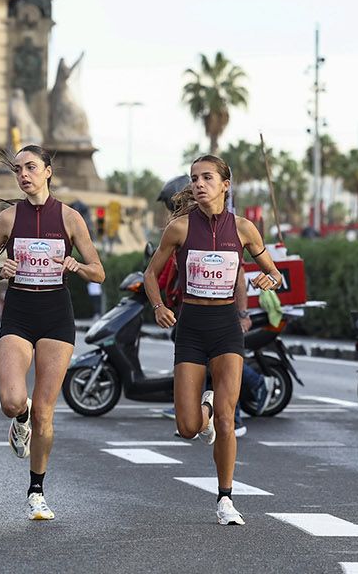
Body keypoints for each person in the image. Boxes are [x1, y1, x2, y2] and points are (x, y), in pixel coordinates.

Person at [143, 155, 282, 526]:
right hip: (191, 327)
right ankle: (204, 407)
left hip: (225, 328)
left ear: (225, 185)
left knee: (226, 418)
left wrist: (270, 279)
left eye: (207, 177)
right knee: (188, 427)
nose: (199, 184)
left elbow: (274, 272)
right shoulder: (179, 228)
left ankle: (225, 499)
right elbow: (150, 275)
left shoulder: (244, 229)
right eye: (194, 178)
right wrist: (158, 306)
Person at [0, 145, 105, 521]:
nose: (23, 175)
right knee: (12, 401)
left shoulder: (70, 218)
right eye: (18, 169)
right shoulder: (9, 218)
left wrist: (76, 265)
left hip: (56, 316)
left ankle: (36, 491)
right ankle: (20, 418)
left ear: (48, 171)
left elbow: (98, 272)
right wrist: (0, 270)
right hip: (19, 313)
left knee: (46, 412)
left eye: (30, 167)